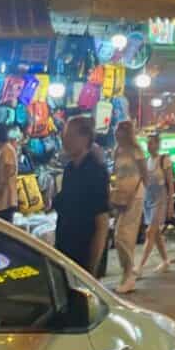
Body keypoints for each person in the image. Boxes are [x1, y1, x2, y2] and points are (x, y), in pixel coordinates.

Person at [54, 116, 110, 275]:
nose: (65, 141)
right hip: (65, 251)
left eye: (70, 136)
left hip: (83, 255)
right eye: (64, 136)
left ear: (85, 138)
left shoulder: (96, 172)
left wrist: (91, 268)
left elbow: (102, 224)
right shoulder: (70, 169)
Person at [110, 120, 146, 293]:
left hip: (135, 196)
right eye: (116, 131)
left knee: (124, 236)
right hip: (121, 196)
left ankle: (129, 274)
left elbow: (144, 174)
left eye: (120, 131)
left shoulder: (136, 151)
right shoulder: (117, 151)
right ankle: (127, 272)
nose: (116, 134)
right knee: (119, 236)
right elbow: (116, 175)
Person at [137, 132, 174, 277]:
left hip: (160, 199)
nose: (149, 145)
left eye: (152, 142)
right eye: (147, 142)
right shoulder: (146, 161)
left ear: (158, 144)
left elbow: (170, 184)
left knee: (150, 232)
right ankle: (165, 260)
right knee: (156, 233)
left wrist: (170, 204)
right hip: (148, 200)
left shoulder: (164, 160)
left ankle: (139, 267)